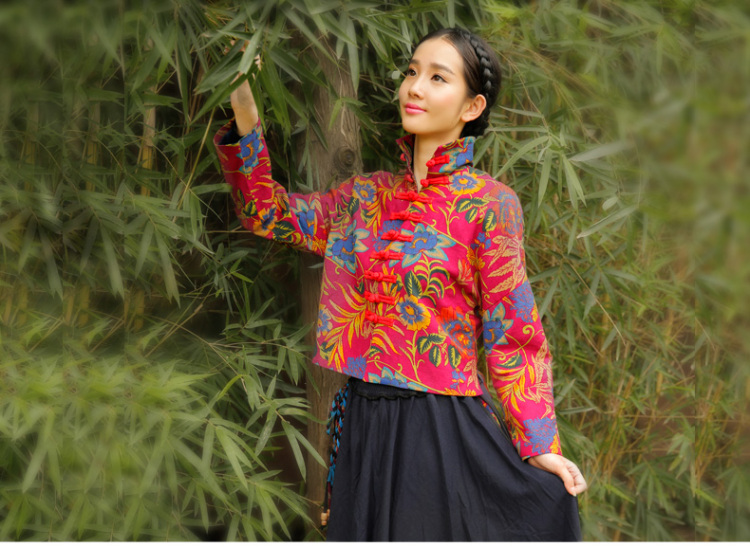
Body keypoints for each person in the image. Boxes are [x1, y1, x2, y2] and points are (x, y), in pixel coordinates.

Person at [214, 27, 587, 541]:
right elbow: (264, 212)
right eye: (412, 71)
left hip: (438, 428)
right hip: (362, 424)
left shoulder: (490, 204)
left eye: (438, 77)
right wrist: (243, 103)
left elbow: (514, 336)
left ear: (472, 107)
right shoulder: (364, 198)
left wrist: (539, 445)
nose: (415, 86)